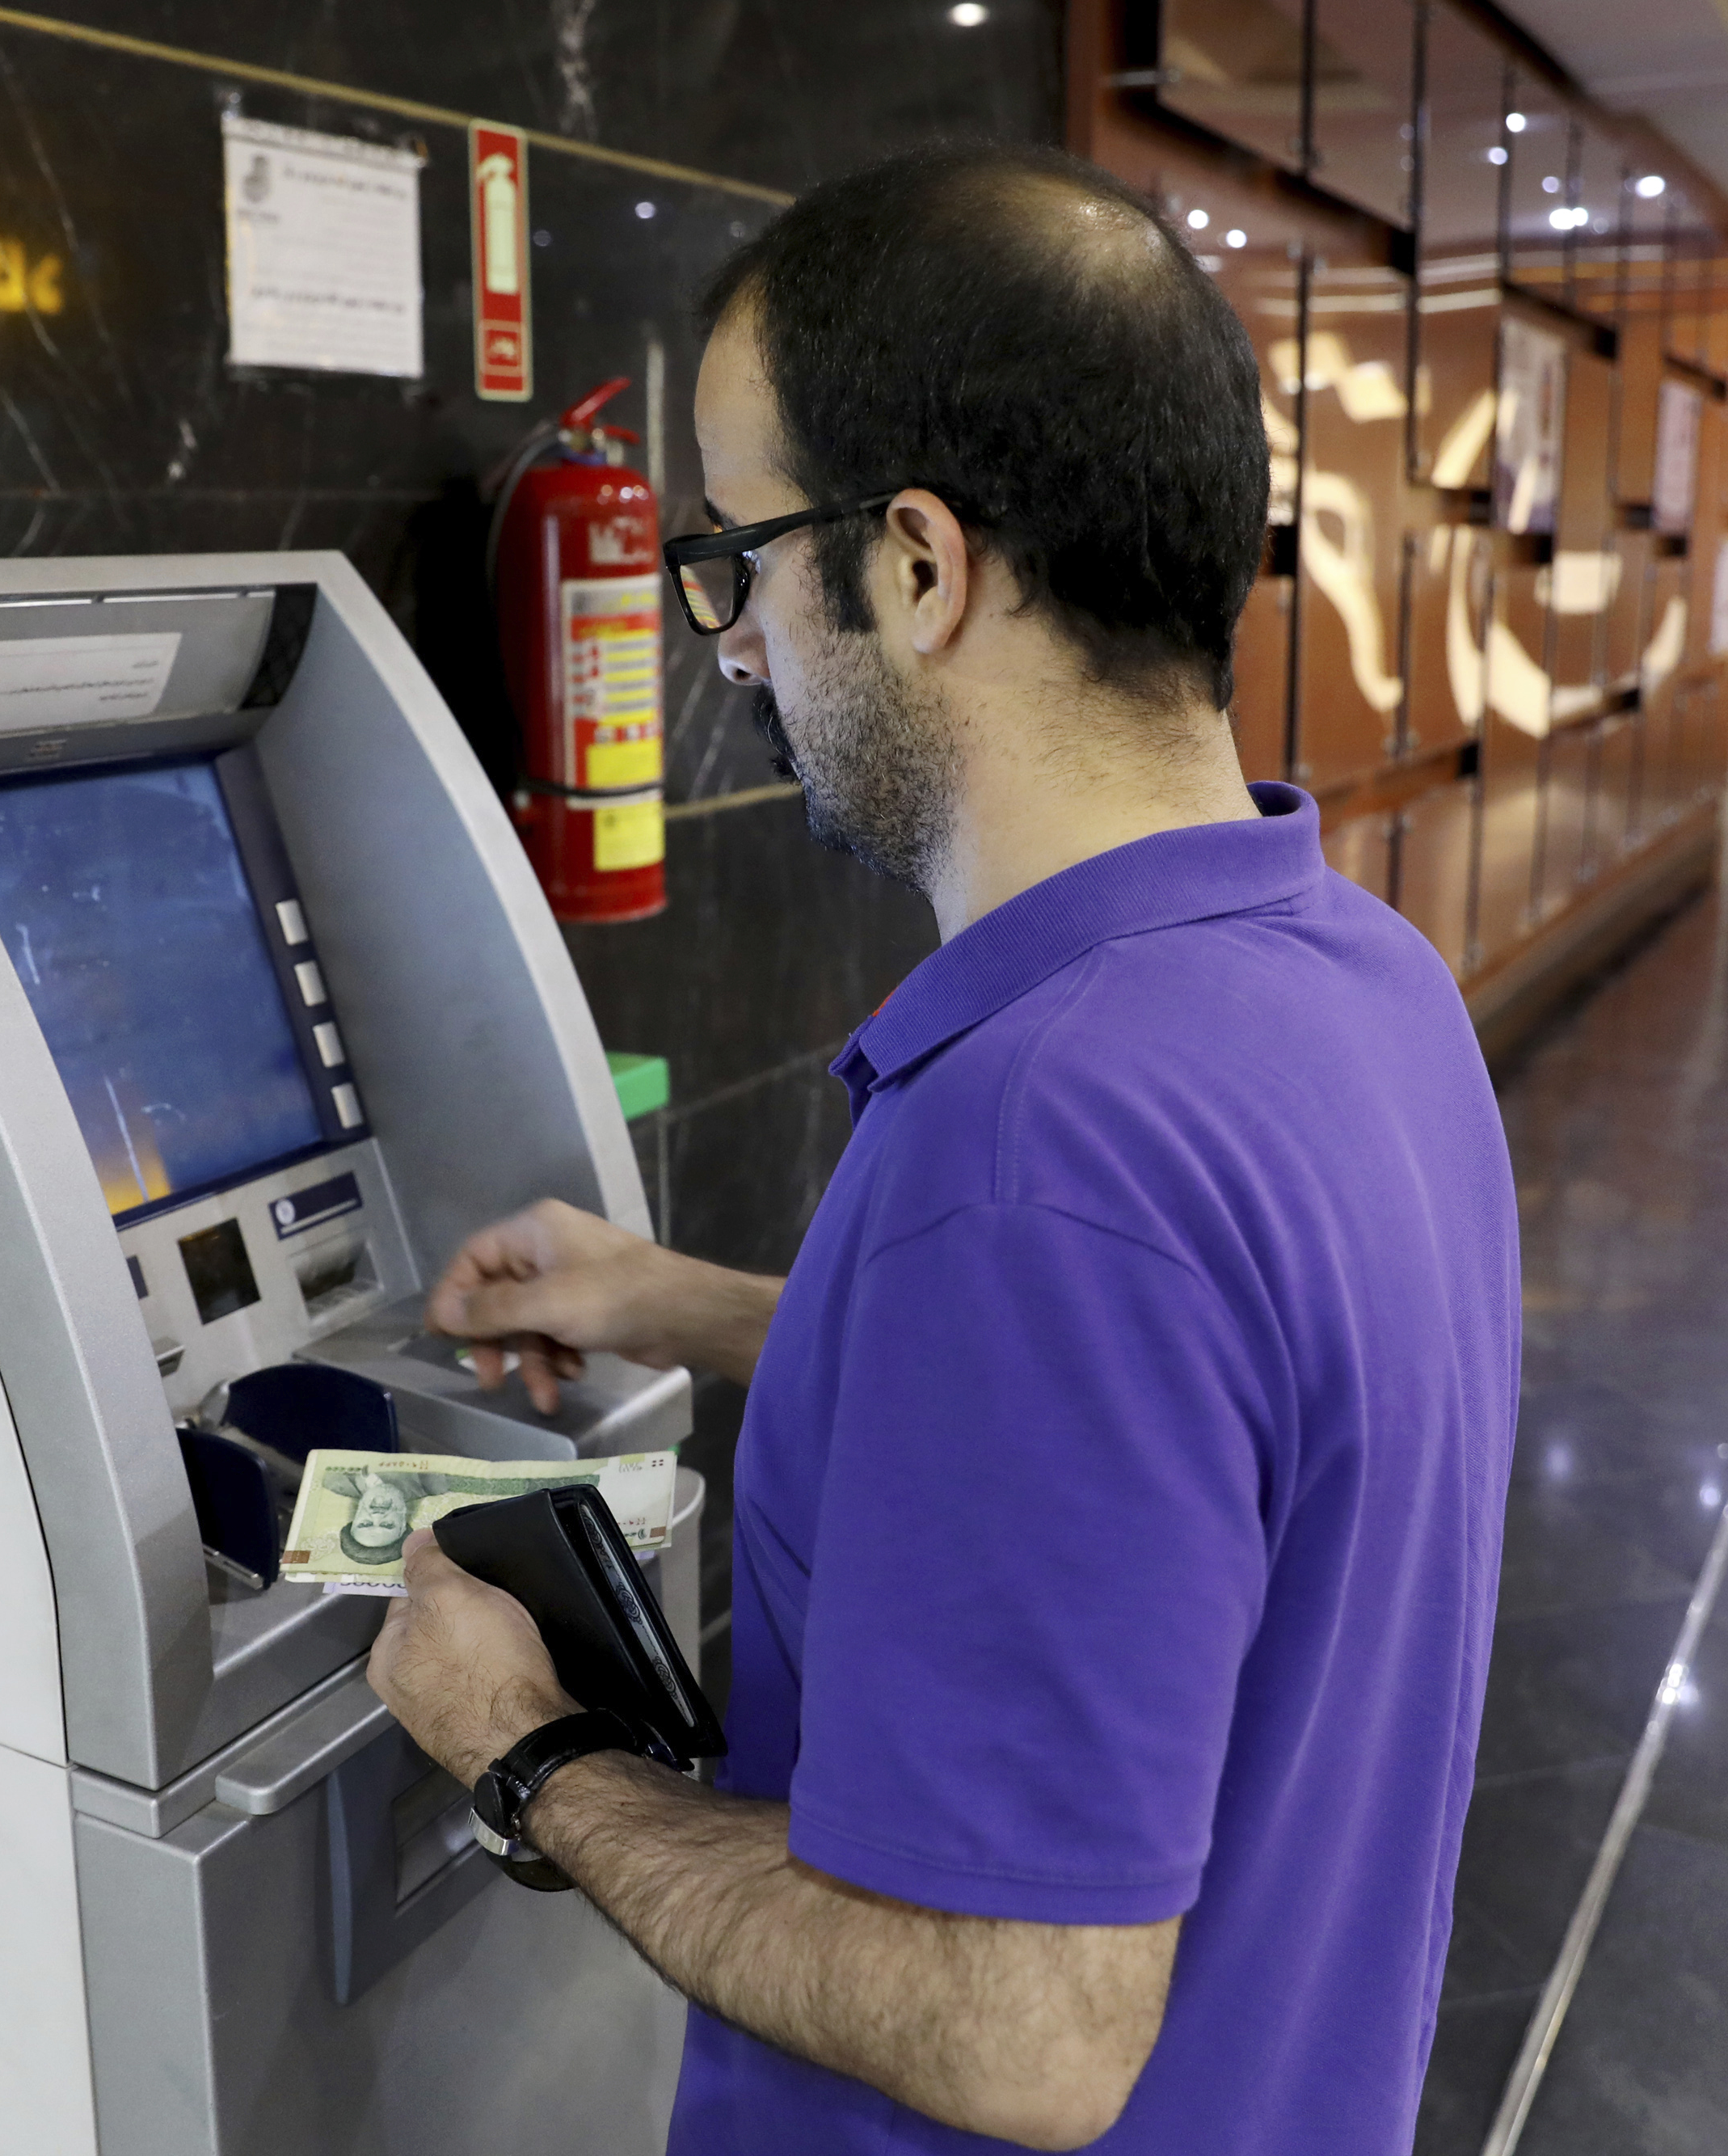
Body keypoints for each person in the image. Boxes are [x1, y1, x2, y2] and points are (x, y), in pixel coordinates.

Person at [366, 145, 1517, 2155]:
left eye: (736, 556)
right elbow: (1166, 1419)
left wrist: (527, 1752)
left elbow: (1013, 2031)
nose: (728, 643)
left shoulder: (1038, 1148)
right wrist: (673, 1302)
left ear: (915, 565)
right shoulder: (1359, 980)